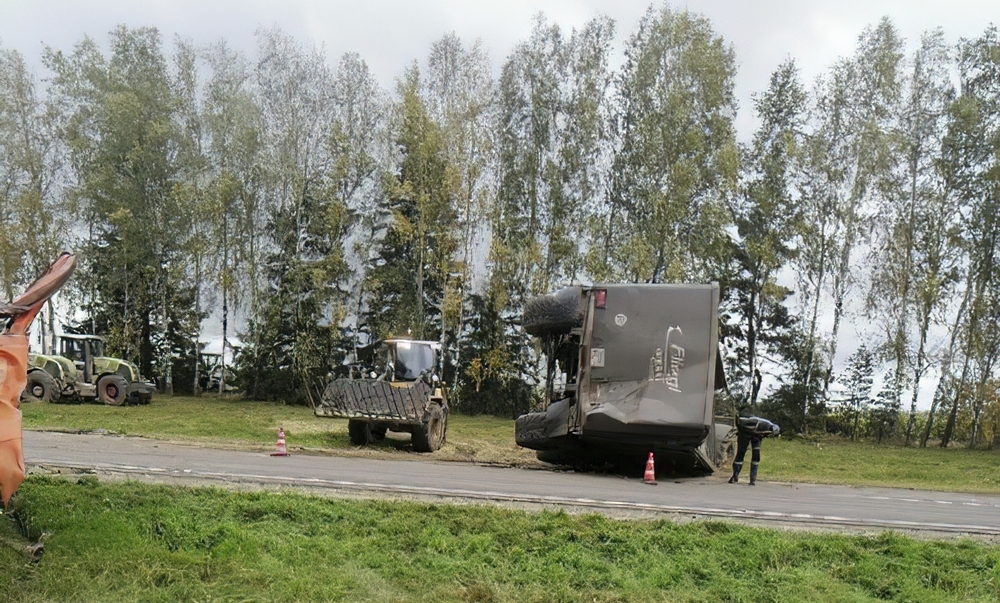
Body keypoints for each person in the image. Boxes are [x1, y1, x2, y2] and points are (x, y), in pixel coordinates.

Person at [728, 415, 780, 486]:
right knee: (741, 453)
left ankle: (752, 479)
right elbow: (743, 425)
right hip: (745, 431)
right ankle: (735, 476)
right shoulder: (765, 425)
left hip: (756, 434)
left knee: (755, 455)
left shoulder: (767, 427)